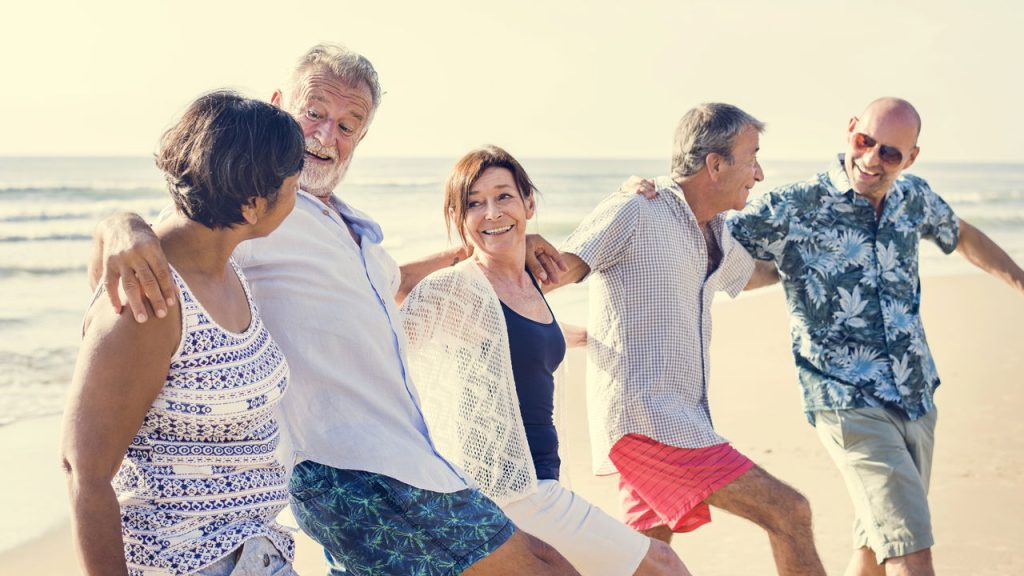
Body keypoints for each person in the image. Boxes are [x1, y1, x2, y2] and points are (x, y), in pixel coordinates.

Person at [90, 44, 578, 576]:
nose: (327, 136)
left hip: (404, 457)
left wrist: (498, 246)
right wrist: (120, 225)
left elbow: (396, 282)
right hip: (349, 467)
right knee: (542, 566)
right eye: (314, 113)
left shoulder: (352, 229)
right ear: (279, 105)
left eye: (349, 125)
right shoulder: (257, 209)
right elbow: (173, 232)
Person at [727, 97, 1024, 576]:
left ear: (910, 158)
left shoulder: (915, 199)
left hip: (915, 393)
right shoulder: (793, 205)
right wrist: (655, 195)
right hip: (846, 399)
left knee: (875, 545)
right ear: (850, 130)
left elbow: (962, 233)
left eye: (890, 153)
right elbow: (709, 239)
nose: (871, 160)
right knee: (910, 547)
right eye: (865, 142)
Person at [544, 103, 827, 576]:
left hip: (676, 415)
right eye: (751, 157)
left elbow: (752, 275)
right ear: (715, 165)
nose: (758, 173)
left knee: (650, 555)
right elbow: (560, 269)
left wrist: (808, 264)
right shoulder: (637, 209)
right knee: (788, 511)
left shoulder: (714, 231)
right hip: (650, 420)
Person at [400, 146, 691, 576]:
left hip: (540, 478)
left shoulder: (532, 283)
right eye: (474, 204)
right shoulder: (459, 291)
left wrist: (628, 195)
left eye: (503, 197)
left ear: (529, 203)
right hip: (509, 487)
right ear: (459, 220)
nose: (492, 211)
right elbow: (390, 288)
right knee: (661, 563)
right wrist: (466, 249)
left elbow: (523, 342)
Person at [61, 91, 305, 575]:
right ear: (254, 205)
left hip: (254, 552)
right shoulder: (152, 300)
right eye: (295, 184)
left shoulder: (223, 267)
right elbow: (83, 472)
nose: (299, 195)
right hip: (188, 562)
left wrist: (121, 223)